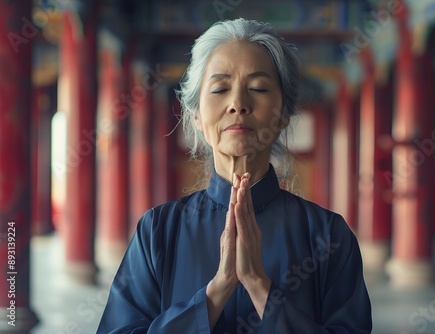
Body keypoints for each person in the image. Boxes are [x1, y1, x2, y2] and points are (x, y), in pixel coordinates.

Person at [97, 18, 372, 333]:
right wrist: (216, 292)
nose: (238, 104)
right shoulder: (158, 231)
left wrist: (259, 287)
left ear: (283, 113)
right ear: (197, 116)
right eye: (220, 88)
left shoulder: (327, 235)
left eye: (258, 88)